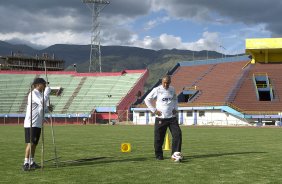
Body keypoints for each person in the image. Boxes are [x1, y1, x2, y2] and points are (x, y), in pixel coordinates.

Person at [144, 75, 182, 160]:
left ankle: (175, 154)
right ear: (162, 82)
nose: (166, 85)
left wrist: (176, 108)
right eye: (164, 83)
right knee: (158, 138)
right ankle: (159, 155)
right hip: (161, 118)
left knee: (178, 134)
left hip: (172, 118)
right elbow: (147, 100)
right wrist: (154, 110)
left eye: (167, 83)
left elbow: (175, 99)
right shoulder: (157, 90)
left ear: (170, 82)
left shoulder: (172, 89)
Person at [22, 78, 51, 171]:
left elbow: (41, 109)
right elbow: (42, 102)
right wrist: (47, 93)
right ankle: (26, 163)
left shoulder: (39, 94)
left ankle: (31, 161)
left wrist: (48, 109)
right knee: (30, 143)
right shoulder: (33, 93)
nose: (45, 86)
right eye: (44, 84)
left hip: (37, 123)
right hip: (31, 123)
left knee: (34, 144)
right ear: (38, 84)